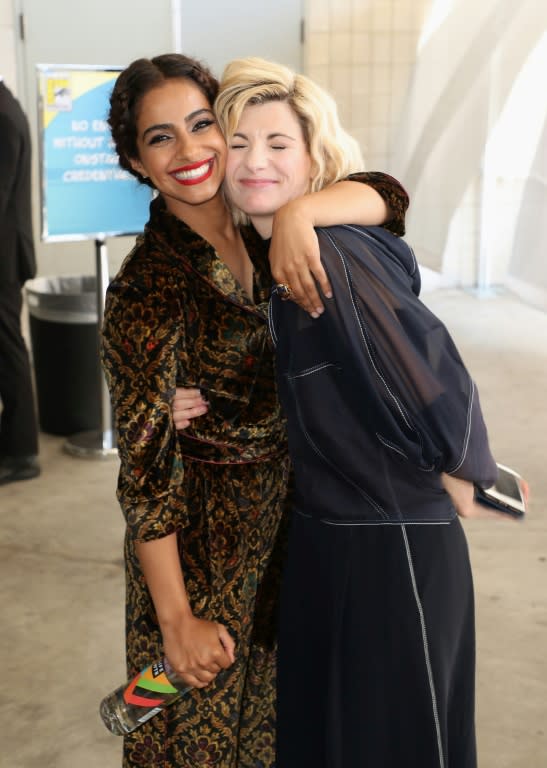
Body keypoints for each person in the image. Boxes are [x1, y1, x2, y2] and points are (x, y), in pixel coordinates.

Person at [101, 53, 408, 768]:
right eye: (159, 138)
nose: (189, 151)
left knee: (276, 743)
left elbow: (387, 196)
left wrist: (302, 211)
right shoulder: (147, 287)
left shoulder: (260, 222)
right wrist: (175, 621)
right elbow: (145, 478)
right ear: (134, 160)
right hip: (198, 566)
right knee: (184, 745)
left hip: (288, 548)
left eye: (202, 124)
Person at [211, 55, 510, 768]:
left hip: (389, 542)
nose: (255, 161)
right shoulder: (279, 255)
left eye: (277, 144)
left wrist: (461, 462)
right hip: (331, 535)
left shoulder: (328, 256)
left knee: (398, 743)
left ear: (315, 158)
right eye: (238, 144)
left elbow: (425, 365)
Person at [0, 78, 40, 485]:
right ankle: (12, 441)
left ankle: (23, 453)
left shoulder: (3, 115)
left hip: (3, 259)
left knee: (9, 350)